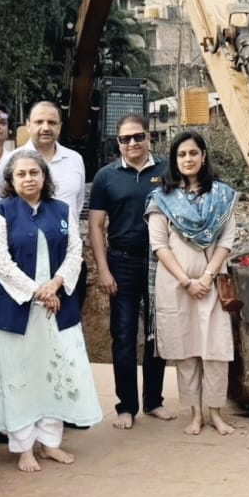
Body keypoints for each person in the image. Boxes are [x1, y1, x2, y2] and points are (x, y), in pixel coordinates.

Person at [0, 150, 101, 471]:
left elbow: (75, 252)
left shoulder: (60, 210)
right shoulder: (0, 213)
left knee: (55, 372)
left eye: (35, 173)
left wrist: (56, 284)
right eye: (21, 174)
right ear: (11, 180)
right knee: (20, 374)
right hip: (14, 307)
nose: (29, 178)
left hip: (56, 303)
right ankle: (24, 447)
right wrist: (37, 291)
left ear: (45, 177)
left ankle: (50, 443)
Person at [147, 131, 238, 436]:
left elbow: (226, 240)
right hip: (176, 284)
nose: (187, 159)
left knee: (215, 348)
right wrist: (187, 281)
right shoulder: (162, 198)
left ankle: (216, 413)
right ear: (174, 160)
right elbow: (159, 245)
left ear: (203, 156)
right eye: (181, 155)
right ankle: (196, 414)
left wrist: (207, 277)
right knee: (186, 350)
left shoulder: (222, 196)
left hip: (213, 283)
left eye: (192, 153)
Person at [89, 115, 174, 429]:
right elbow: (96, 227)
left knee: (156, 333)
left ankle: (154, 401)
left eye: (138, 137)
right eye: (125, 139)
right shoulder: (105, 177)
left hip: (159, 263)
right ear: (118, 143)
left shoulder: (167, 171)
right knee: (123, 335)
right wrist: (103, 269)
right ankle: (126, 406)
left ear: (149, 137)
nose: (132, 143)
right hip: (121, 263)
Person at [0, 101, 89, 308]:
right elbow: (0, 205)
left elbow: (77, 204)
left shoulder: (74, 160)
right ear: (28, 125)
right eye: (39, 122)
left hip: (67, 260)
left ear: (60, 127)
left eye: (52, 122)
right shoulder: (11, 161)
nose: (46, 127)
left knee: (67, 326)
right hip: (23, 262)